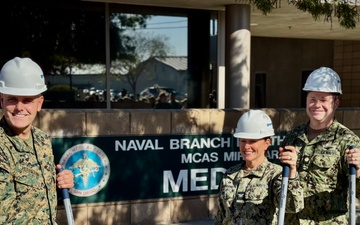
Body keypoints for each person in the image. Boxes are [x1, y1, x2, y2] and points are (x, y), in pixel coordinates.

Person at [281, 67, 360, 224]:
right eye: (312, 99)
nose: (317, 105)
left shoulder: (348, 141)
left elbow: (357, 192)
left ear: (336, 103)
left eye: (323, 100)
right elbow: (279, 183)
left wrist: (359, 171)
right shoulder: (292, 137)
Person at [0, 57, 74, 224]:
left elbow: (38, 198)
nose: (20, 108)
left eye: (27, 100)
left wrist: (60, 184)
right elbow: (5, 218)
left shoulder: (42, 140)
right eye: (12, 99)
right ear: (2, 101)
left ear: (39, 103)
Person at [214, 110, 303, 225]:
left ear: (267, 143)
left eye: (252, 141)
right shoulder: (230, 175)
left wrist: (292, 173)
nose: (246, 146)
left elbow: (293, 206)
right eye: (243, 141)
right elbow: (221, 216)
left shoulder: (276, 175)